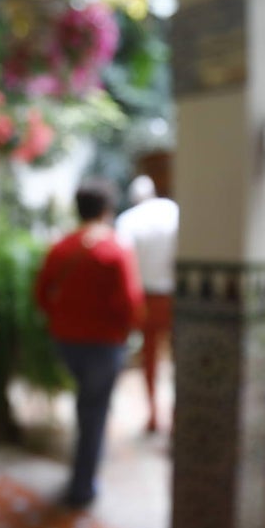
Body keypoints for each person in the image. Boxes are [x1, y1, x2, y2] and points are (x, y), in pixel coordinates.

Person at [35, 178, 145, 509]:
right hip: (103, 344)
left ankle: (83, 476)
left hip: (66, 342)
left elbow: (41, 295)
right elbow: (131, 304)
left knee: (87, 405)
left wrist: (62, 318)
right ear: (107, 210)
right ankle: (82, 487)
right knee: (93, 411)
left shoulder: (60, 247)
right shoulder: (115, 249)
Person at [114, 174, 179, 434]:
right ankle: (175, 412)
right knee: (176, 357)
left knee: (149, 357)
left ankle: (153, 412)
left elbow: (124, 266)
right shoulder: (171, 212)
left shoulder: (127, 221)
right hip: (173, 295)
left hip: (145, 298)